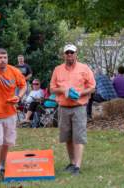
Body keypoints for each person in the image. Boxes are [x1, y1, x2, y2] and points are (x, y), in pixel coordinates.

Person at [50, 44, 96, 176]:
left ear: (76, 54)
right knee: (68, 137)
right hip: (63, 108)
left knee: (79, 137)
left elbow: (92, 87)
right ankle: (72, 162)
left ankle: (77, 166)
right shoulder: (57, 69)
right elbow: (52, 88)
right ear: (63, 55)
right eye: (67, 53)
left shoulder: (84, 68)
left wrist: (81, 93)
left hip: (79, 107)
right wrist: (63, 90)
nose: (69, 55)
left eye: (72, 52)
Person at [0, 48, 27, 182]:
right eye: (0, 58)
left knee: (7, 143)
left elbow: (23, 85)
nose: (3, 60)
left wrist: (19, 96)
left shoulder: (14, 71)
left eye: (5, 57)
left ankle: (2, 166)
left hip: (10, 113)